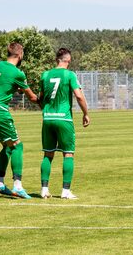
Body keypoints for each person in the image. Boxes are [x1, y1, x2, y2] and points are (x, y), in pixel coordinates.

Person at [39, 48, 90, 199]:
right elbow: (79, 96)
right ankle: (65, 191)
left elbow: (40, 98)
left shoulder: (45, 75)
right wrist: (86, 113)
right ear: (68, 61)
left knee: (48, 154)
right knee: (68, 154)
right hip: (64, 119)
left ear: (57, 60)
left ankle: (44, 190)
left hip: (47, 119)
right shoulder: (70, 75)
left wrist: (46, 111)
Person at [0, 42, 40, 199]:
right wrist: (42, 100)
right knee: (18, 146)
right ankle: (18, 186)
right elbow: (32, 97)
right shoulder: (17, 73)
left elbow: (0, 84)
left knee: (7, 145)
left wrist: (15, 88)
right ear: (20, 55)